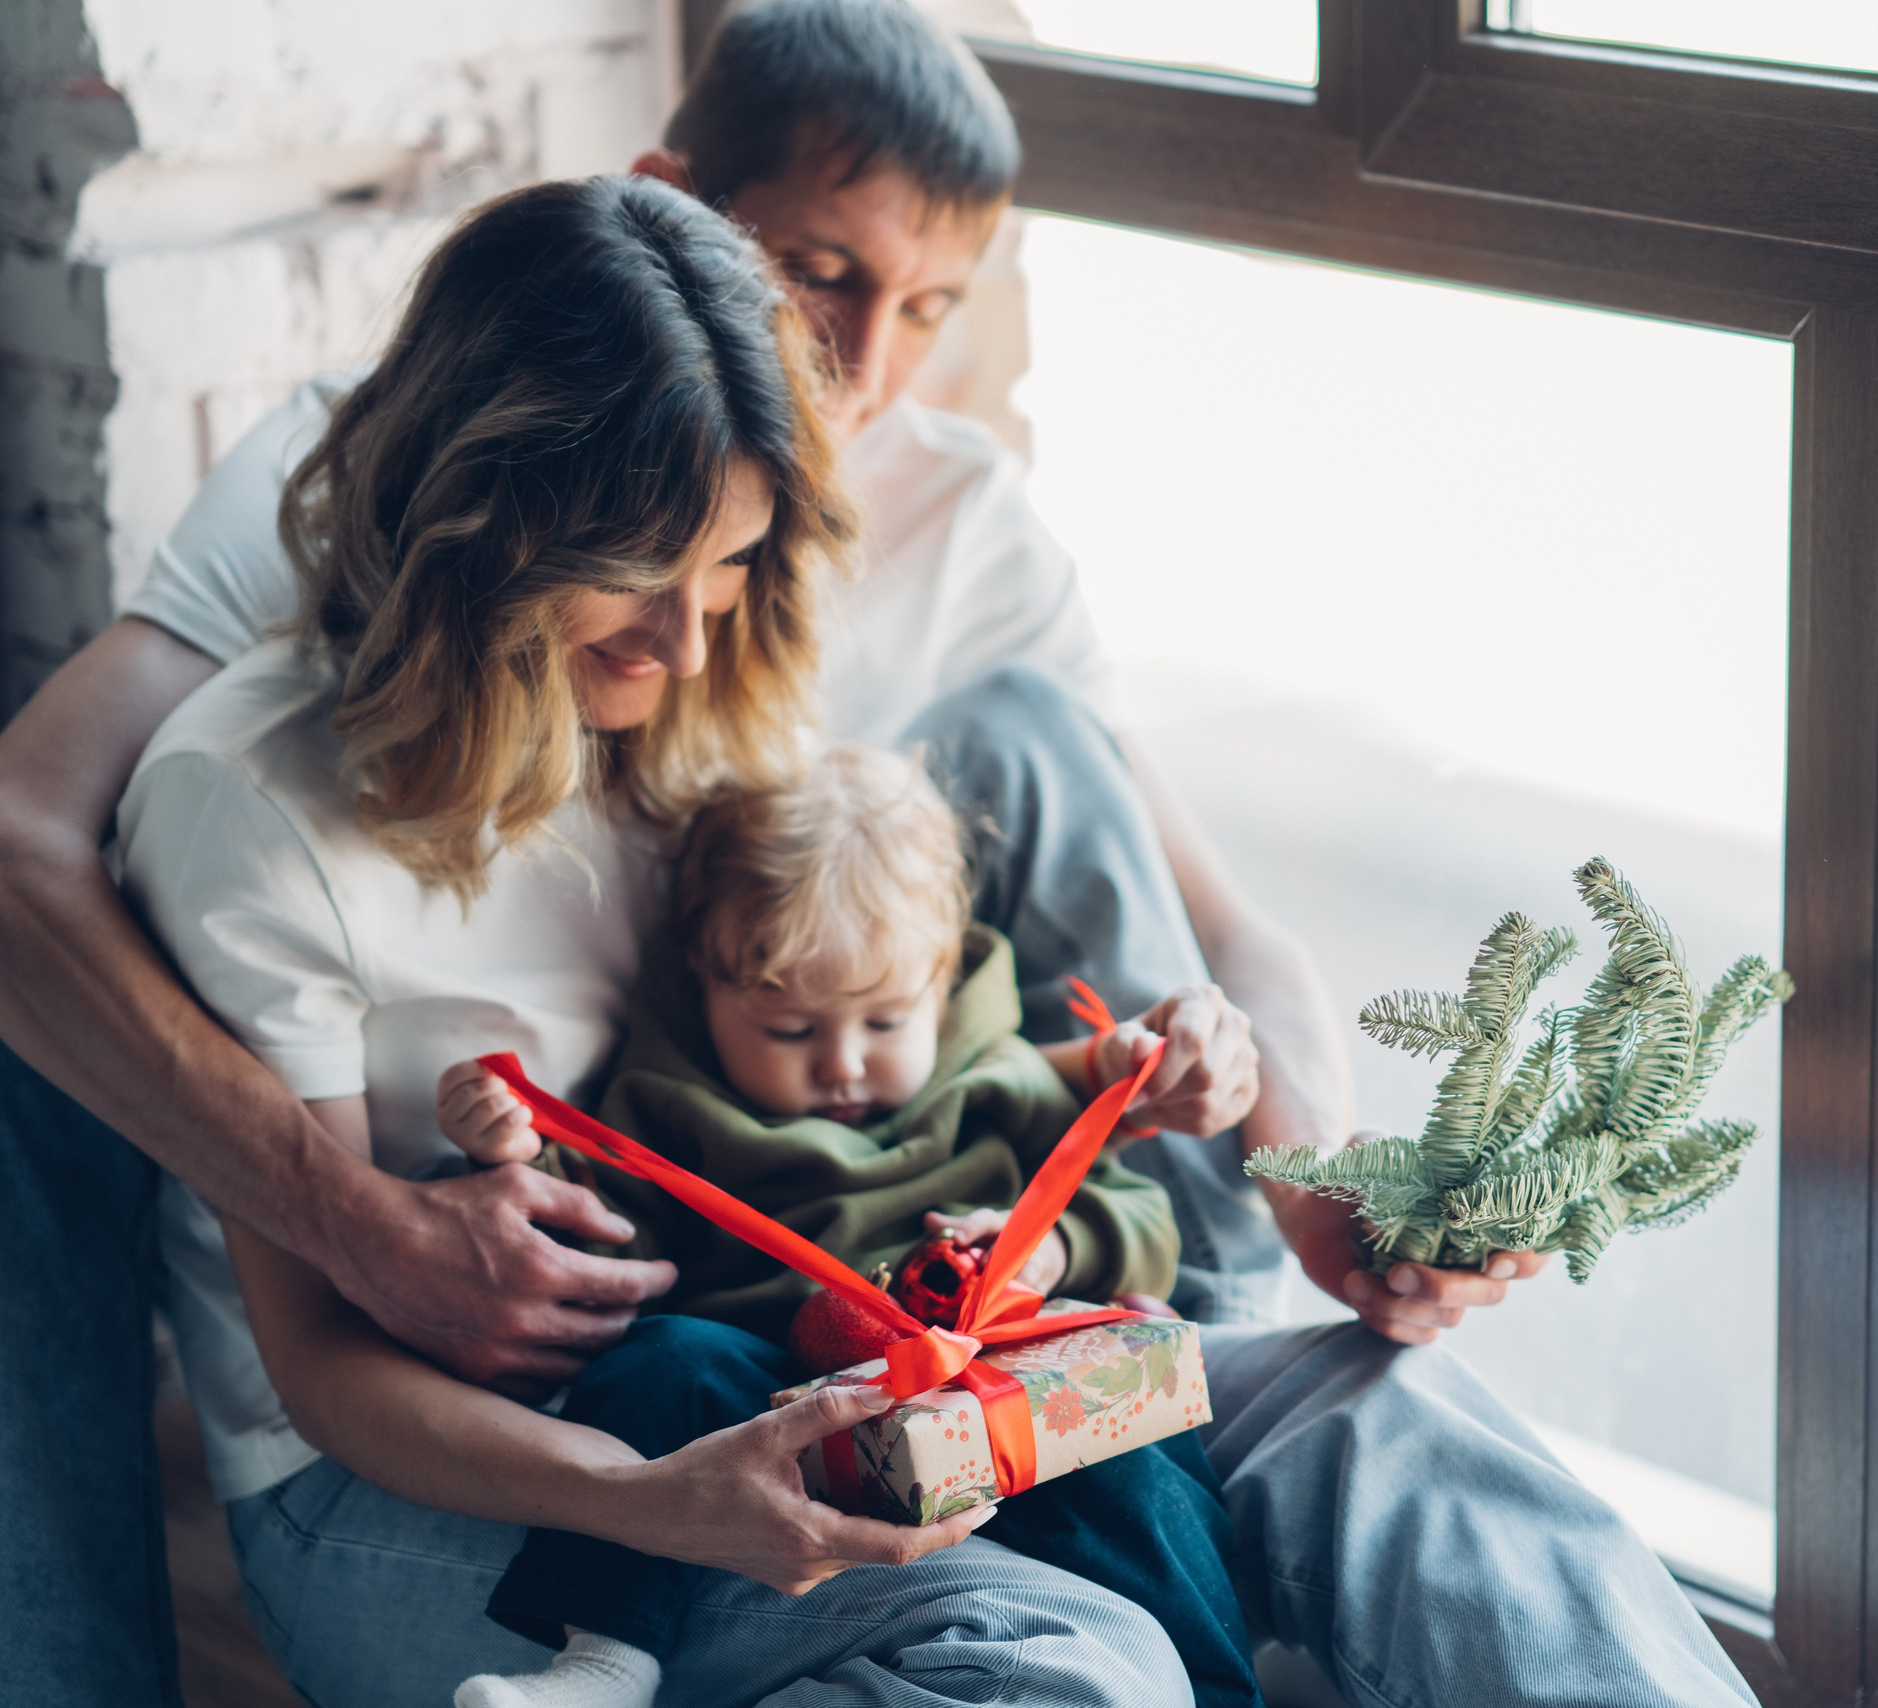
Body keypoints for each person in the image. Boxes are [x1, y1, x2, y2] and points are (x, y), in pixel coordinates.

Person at [0, 0, 1591, 1698]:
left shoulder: (730, 647)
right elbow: (35, 851)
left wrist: (1305, 1166)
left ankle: (1197, 1312)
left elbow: (1216, 925)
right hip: (543, 1399)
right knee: (1071, 1653)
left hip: (852, 1297)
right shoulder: (272, 742)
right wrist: (373, 1222)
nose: (864, 358)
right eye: (819, 274)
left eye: (927, 302)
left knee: (1419, 1441)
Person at [118, 170, 1198, 1708]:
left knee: (1349, 1445)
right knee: (1078, 1669)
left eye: (734, 564)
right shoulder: (249, 807)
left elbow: (885, 1031)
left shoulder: (691, 704)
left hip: (728, 1369)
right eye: (637, 577)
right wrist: (646, 1505)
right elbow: (320, 1373)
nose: (689, 641)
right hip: (404, 1475)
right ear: (480, 526)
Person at [444, 746, 1256, 1708]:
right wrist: (513, 1152)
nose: (843, 1065)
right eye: (790, 1030)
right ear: (705, 984)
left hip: (1000, 1397)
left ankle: (1216, 1690)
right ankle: (603, 1662)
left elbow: (1139, 1213)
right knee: (660, 1365)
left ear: (942, 982)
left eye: (883, 1022)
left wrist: (1052, 1247)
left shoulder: (999, 1080)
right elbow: (608, 1243)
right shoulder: (669, 1107)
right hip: (783, 1410)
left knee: (1138, 1459)